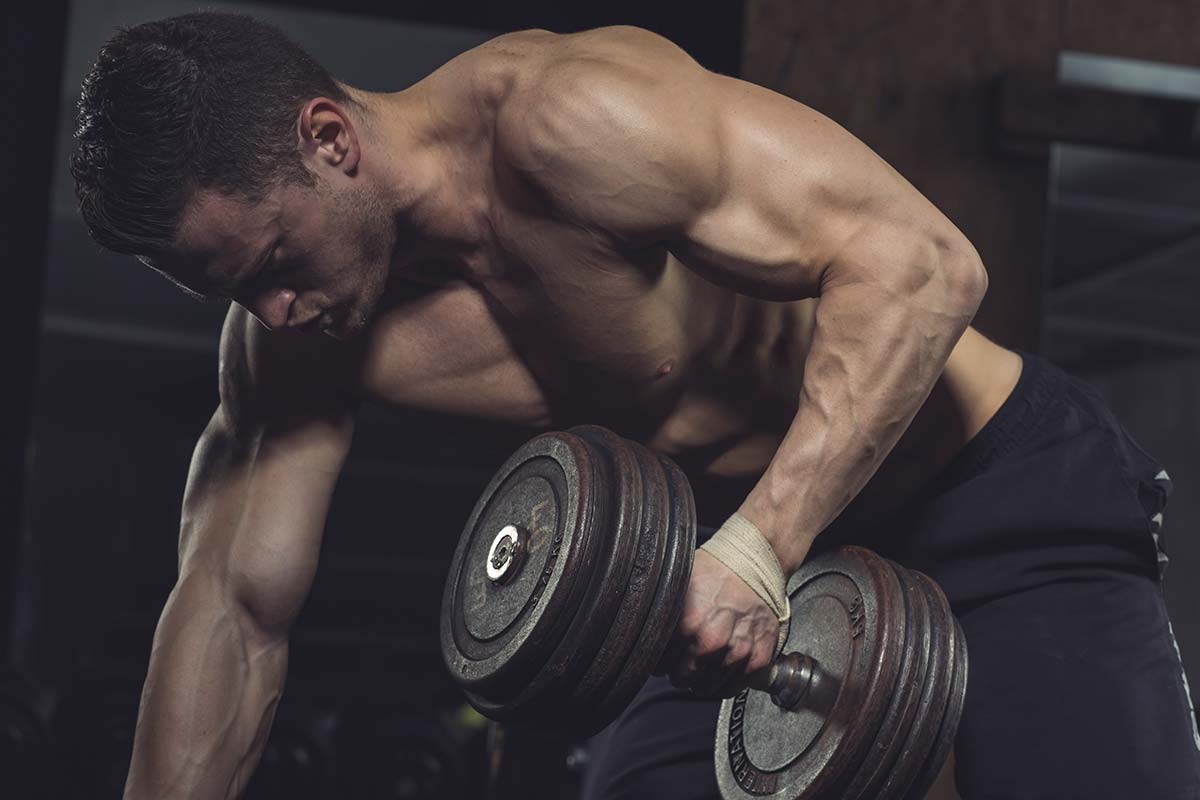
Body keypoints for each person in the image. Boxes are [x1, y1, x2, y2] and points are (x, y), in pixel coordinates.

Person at [70, 12, 1199, 799]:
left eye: (271, 259)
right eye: (232, 293)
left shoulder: (573, 122)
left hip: (983, 489)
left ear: (330, 138)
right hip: (733, 572)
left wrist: (761, 544)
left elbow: (922, 266)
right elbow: (229, 610)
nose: (270, 308)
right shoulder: (294, 344)